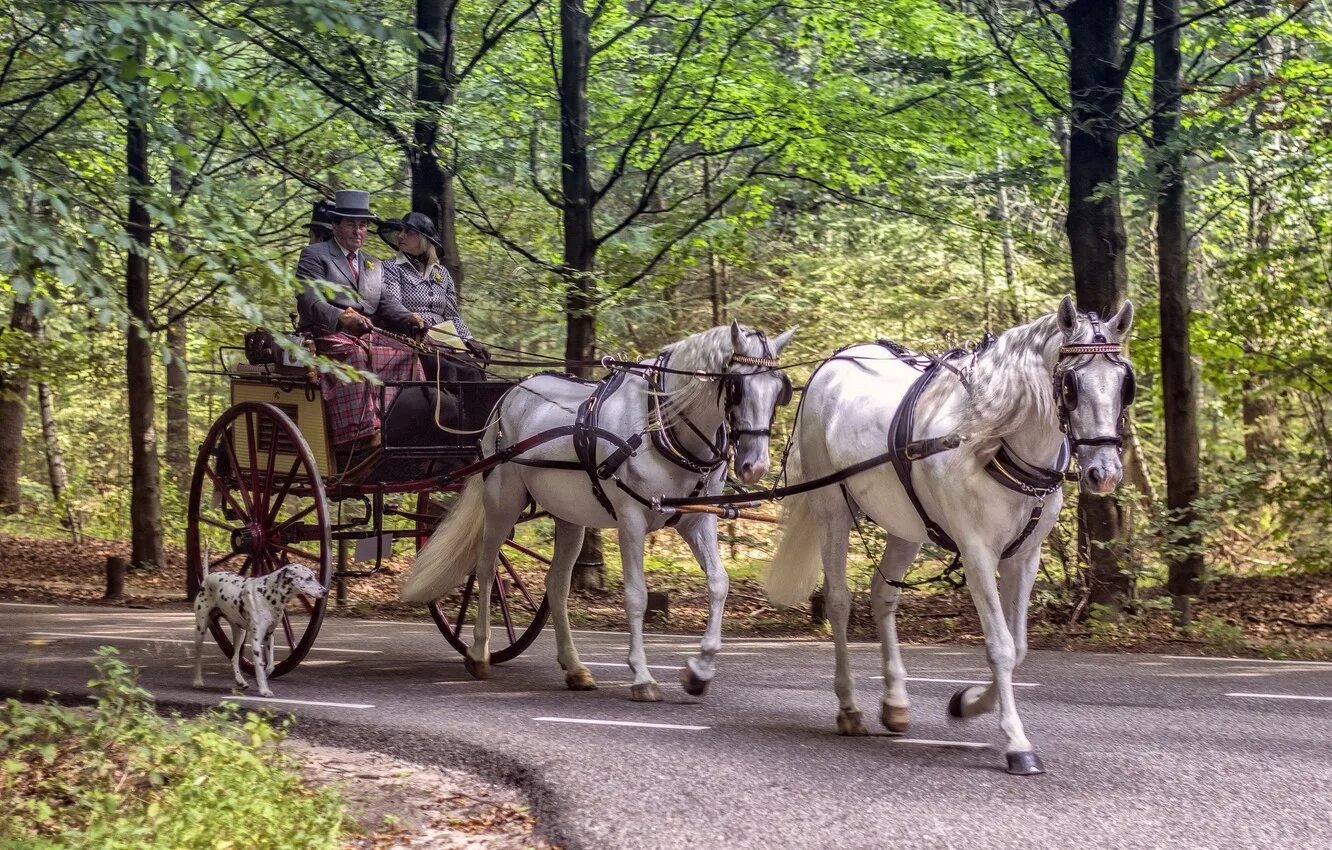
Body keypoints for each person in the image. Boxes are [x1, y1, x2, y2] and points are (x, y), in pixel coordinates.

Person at [294, 189, 424, 453]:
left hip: (366, 333)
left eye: (363, 225)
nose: (358, 231)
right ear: (336, 225)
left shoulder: (372, 265)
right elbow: (308, 300)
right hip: (326, 335)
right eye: (351, 224)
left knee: (407, 353)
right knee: (355, 353)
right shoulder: (315, 255)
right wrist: (340, 318)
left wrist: (408, 316)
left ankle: (400, 421)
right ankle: (360, 432)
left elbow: (385, 301)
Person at [378, 212, 489, 380]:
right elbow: (394, 306)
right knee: (448, 370)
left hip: (447, 341)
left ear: (423, 238)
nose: (401, 235)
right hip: (413, 339)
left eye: (408, 231)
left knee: (474, 371)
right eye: (401, 230)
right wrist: (416, 325)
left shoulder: (442, 273)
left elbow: (452, 315)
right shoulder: (391, 267)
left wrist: (469, 339)